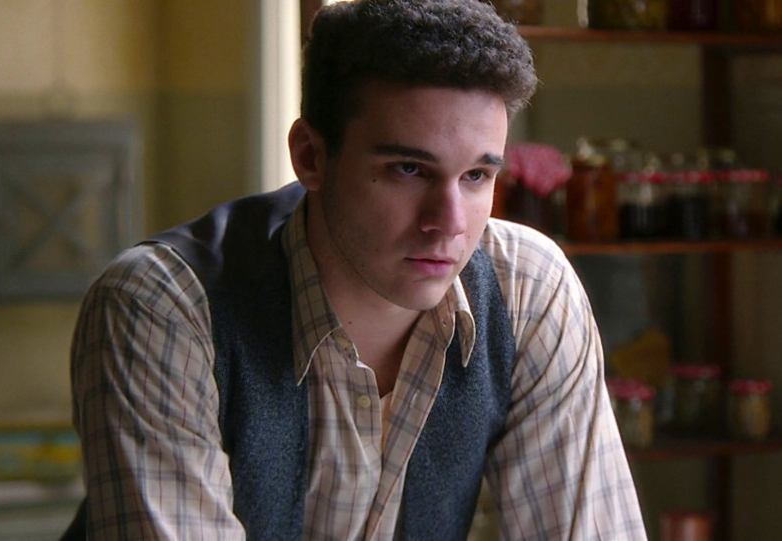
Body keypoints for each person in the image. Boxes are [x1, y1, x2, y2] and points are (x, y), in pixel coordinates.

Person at [67, 0, 647, 539]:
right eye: (409, 170)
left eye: (477, 176)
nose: (448, 223)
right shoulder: (163, 307)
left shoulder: (528, 289)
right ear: (310, 157)